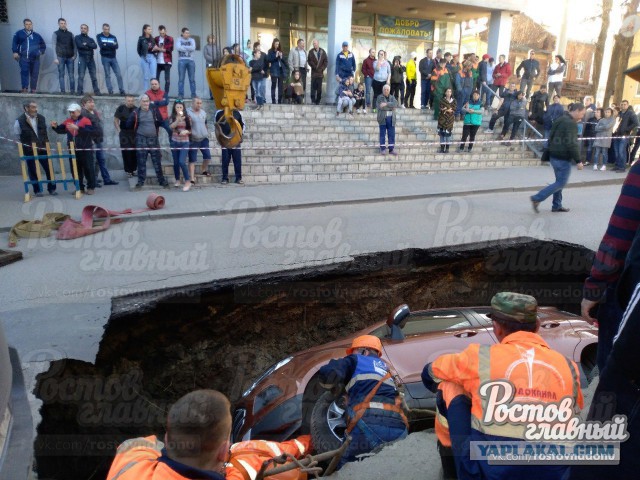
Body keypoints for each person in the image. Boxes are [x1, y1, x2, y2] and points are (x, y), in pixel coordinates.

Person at [422, 292, 583, 480]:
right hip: (556, 473)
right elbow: (576, 408)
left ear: (496, 327)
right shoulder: (567, 365)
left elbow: (430, 372)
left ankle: (452, 472)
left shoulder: (479, 357)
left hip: (495, 473)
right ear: (537, 327)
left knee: (449, 386)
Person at [107, 389, 313, 480]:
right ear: (224, 450)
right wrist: (311, 440)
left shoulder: (131, 461)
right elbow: (276, 452)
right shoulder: (242, 465)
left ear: (168, 439)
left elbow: (138, 444)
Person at [318, 335, 408, 468]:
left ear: (363, 351)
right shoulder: (388, 370)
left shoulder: (356, 359)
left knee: (345, 470)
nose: (351, 354)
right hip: (400, 431)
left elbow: (328, 374)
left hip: (368, 427)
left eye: (353, 351)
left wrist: (334, 387)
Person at [106, 389, 231, 480]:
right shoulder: (237, 473)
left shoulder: (131, 465)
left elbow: (134, 444)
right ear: (223, 451)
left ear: (166, 439)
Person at [531, 102, 586, 213]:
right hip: (563, 158)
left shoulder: (560, 119)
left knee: (558, 181)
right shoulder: (571, 123)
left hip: (554, 156)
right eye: (582, 113)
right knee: (561, 183)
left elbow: (551, 136)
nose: (582, 116)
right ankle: (537, 198)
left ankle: (557, 205)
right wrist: (578, 161)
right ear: (577, 111)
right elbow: (572, 143)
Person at [125, 94, 170, 189]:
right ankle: (140, 182)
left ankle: (162, 181)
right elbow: (128, 124)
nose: (146, 103)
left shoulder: (154, 110)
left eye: (147, 101)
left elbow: (161, 121)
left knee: (157, 161)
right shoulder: (136, 113)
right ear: (140, 102)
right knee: (141, 161)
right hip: (141, 139)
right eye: (144, 101)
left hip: (153, 139)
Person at [51, 103, 97, 195]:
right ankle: (79, 188)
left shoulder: (86, 120)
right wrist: (55, 127)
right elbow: (61, 129)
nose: (71, 114)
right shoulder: (68, 121)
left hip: (85, 149)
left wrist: (78, 128)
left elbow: (91, 132)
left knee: (88, 168)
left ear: (79, 111)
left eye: (73, 112)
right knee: (75, 169)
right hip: (72, 149)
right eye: (70, 112)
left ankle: (91, 187)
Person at [14, 100, 57, 197]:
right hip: (29, 149)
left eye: (36, 107)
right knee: (33, 170)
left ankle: (52, 188)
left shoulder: (41, 118)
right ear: (26, 108)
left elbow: (44, 132)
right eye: (33, 107)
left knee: (49, 168)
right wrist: (24, 146)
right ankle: (37, 190)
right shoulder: (19, 121)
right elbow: (17, 136)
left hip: (43, 147)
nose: (36, 109)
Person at [81, 95, 118, 187]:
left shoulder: (95, 112)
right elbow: (84, 129)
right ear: (84, 104)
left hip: (99, 140)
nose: (92, 103)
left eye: (93, 102)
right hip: (91, 141)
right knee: (92, 161)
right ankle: (93, 180)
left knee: (101, 160)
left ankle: (106, 179)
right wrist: (90, 139)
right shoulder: (83, 114)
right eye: (89, 102)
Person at [12, 18, 46, 94]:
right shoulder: (19, 33)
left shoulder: (37, 35)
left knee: (35, 74)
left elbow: (43, 45)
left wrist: (40, 52)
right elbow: (14, 43)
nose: (28, 26)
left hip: (35, 59)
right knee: (24, 72)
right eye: (27, 24)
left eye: (30, 24)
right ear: (24, 25)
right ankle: (25, 89)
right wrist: (15, 52)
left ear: (32, 25)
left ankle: (33, 89)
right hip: (24, 57)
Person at [215, 108, 245, 184]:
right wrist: (220, 139)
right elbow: (217, 127)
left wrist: (241, 135)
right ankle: (225, 178)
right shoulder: (219, 113)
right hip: (225, 141)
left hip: (235, 140)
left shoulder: (237, 113)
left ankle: (238, 178)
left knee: (237, 160)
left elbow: (242, 125)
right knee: (225, 160)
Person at [169, 100, 192, 191]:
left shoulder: (187, 117)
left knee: (182, 161)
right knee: (176, 162)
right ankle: (177, 179)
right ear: (175, 108)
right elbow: (171, 127)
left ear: (183, 108)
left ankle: (187, 181)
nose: (179, 109)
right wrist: (177, 120)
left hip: (185, 142)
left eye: (181, 107)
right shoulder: (172, 117)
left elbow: (190, 129)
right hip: (175, 142)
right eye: (177, 107)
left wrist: (186, 131)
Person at [96, 23, 125, 95]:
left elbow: (116, 46)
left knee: (118, 74)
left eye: (108, 29)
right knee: (107, 75)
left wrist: (106, 44)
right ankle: (110, 91)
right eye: (105, 29)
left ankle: (121, 90)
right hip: (105, 58)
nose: (107, 31)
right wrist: (111, 45)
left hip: (113, 58)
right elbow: (101, 46)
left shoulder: (113, 36)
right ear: (103, 29)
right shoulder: (99, 36)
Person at [187, 97, 211, 180]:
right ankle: (192, 178)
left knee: (207, 157)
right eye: (197, 103)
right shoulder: (188, 112)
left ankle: (203, 169)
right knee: (192, 159)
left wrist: (206, 132)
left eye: (200, 103)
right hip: (193, 139)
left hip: (203, 138)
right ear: (193, 103)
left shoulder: (203, 112)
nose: (199, 105)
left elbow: (205, 123)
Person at [113, 95, 137, 177]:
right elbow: (116, 120)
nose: (130, 102)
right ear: (125, 101)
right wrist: (119, 131)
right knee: (126, 152)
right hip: (124, 133)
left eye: (132, 101)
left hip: (134, 133)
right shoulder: (121, 108)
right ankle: (128, 171)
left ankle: (134, 169)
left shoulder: (136, 109)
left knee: (134, 151)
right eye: (128, 101)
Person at [612, 100, 639, 172]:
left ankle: (622, 167)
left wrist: (627, 129)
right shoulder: (620, 113)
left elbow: (636, 123)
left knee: (621, 151)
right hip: (617, 134)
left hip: (624, 135)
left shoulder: (631, 113)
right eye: (622, 104)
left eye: (625, 104)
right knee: (617, 151)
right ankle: (617, 165)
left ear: (627, 105)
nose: (623, 106)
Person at [75, 24, 101, 95]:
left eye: (85, 28)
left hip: (91, 59)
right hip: (82, 58)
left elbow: (95, 46)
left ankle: (97, 91)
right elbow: (80, 46)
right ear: (80, 29)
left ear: (87, 30)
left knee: (94, 76)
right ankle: (79, 91)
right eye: (82, 28)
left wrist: (86, 44)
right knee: (81, 76)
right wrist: (89, 45)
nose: (83, 29)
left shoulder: (90, 39)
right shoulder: (77, 37)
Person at [52, 18, 76, 94]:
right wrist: (55, 58)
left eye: (64, 23)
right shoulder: (55, 33)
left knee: (71, 75)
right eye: (61, 23)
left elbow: (74, 46)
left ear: (66, 24)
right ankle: (63, 91)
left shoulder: (70, 34)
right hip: (60, 57)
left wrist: (74, 56)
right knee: (61, 75)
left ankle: (72, 91)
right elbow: (53, 46)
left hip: (70, 58)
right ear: (58, 24)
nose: (63, 25)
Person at [376, 84, 399, 155]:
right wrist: (391, 107)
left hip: (391, 119)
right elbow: (381, 107)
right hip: (382, 118)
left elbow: (396, 104)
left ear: (389, 90)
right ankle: (382, 149)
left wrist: (386, 104)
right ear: (383, 90)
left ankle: (391, 149)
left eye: (387, 90)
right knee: (382, 134)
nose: (386, 91)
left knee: (391, 134)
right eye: (385, 89)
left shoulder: (392, 97)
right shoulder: (380, 97)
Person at [137, 24, 158, 92]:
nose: (150, 30)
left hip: (152, 57)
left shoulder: (153, 39)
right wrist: (143, 56)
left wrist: (156, 50)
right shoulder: (141, 38)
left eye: (151, 29)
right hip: (144, 57)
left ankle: (154, 91)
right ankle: (146, 92)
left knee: (153, 76)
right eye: (149, 29)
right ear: (145, 30)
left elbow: (155, 48)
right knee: (146, 76)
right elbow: (138, 49)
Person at [177, 27, 196, 98]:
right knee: (181, 79)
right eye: (186, 33)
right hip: (181, 60)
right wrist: (188, 48)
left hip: (191, 60)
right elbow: (178, 48)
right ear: (182, 33)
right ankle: (180, 94)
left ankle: (193, 94)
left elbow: (193, 48)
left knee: (192, 79)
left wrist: (183, 47)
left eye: (188, 33)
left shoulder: (192, 40)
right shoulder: (179, 39)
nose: (188, 34)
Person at [308, 39, 328, 105]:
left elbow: (326, 62)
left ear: (318, 44)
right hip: (314, 73)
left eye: (315, 43)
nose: (314, 45)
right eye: (313, 43)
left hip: (320, 74)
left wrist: (322, 68)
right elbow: (309, 61)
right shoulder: (311, 52)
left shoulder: (323, 51)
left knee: (319, 88)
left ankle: (318, 101)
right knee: (313, 88)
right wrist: (314, 66)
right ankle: (313, 100)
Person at [267, 38, 287, 104]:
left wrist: (281, 57)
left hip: (281, 70)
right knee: (274, 85)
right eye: (276, 44)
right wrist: (275, 56)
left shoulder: (280, 51)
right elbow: (269, 60)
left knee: (280, 86)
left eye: (278, 44)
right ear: (273, 44)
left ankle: (279, 100)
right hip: (274, 70)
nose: (277, 45)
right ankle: (273, 100)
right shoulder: (270, 51)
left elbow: (284, 61)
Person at [155, 26, 174, 94]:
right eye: (161, 33)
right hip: (158, 61)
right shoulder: (156, 38)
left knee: (167, 79)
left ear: (166, 31)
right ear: (159, 31)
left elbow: (170, 50)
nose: (162, 34)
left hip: (167, 61)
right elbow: (154, 49)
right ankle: (158, 93)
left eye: (163, 33)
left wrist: (159, 49)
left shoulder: (170, 38)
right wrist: (159, 49)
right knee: (156, 79)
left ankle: (166, 94)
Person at [249, 42, 267, 109]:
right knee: (256, 91)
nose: (260, 54)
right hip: (253, 78)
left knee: (259, 91)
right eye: (258, 53)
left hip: (259, 78)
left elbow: (258, 68)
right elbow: (251, 70)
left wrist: (253, 68)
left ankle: (261, 103)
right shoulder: (251, 62)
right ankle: (258, 104)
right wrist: (254, 69)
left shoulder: (260, 62)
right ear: (255, 54)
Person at [437, 87, 456, 153]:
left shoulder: (454, 101)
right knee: (441, 135)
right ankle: (442, 148)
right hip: (442, 120)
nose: (448, 93)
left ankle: (447, 148)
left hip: (450, 120)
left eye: (450, 92)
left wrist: (446, 109)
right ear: (445, 93)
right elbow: (441, 108)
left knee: (448, 136)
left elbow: (453, 109)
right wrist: (447, 109)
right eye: (447, 91)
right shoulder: (442, 100)